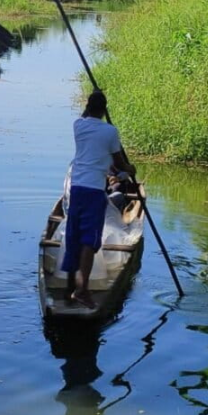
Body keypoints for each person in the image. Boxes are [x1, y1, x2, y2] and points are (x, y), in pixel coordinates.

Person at [64, 90, 135, 309]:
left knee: (74, 234)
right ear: (104, 110)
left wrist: (94, 101)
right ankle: (82, 290)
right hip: (94, 191)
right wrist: (131, 169)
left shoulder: (78, 125)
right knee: (89, 241)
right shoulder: (110, 132)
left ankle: (70, 287)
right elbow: (119, 163)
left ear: (87, 106)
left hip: (76, 189)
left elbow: (86, 115)